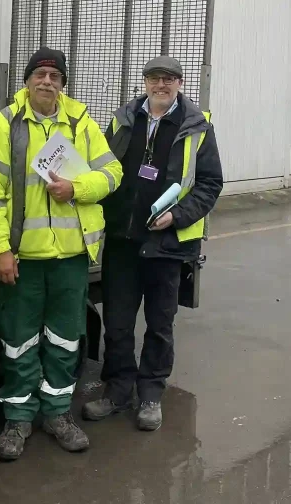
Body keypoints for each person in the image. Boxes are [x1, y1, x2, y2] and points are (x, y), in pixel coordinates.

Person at [0, 47, 123, 461]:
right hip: (23, 258)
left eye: (55, 77)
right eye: (39, 74)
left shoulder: (80, 124)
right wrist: (0, 249)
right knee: (19, 340)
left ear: (63, 85)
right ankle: (18, 419)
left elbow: (113, 173)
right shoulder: (5, 125)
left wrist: (76, 188)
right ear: (26, 81)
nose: (47, 82)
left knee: (65, 339)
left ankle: (58, 413)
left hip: (71, 258)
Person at [83, 56, 223, 431]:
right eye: (154, 79)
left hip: (167, 244)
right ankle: (116, 391)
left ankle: (150, 395)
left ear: (180, 83)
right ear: (144, 82)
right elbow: (103, 169)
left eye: (169, 79)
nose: (161, 85)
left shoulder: (197, 128)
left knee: (160, 325)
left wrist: (176, 216)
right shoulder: (124, 118)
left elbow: (210, 184)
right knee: (118, 321)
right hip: (122, 240)